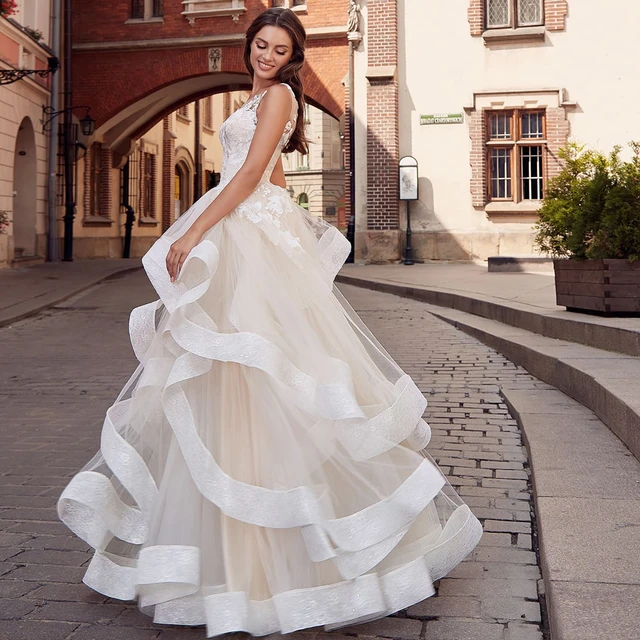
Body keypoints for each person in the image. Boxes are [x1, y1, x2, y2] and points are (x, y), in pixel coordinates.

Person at [57, 7, 482, 637]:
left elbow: (251, 175)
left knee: (266, 379)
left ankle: (292, 552)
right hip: (246, 241)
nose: (267, 55)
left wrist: (195, 229)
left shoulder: (280, 95)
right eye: (261, 44)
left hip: (240, 239)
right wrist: (287, 238)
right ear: (249, 45)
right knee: (224, 382)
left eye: (279, 48)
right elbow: (275, 176)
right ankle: (226, 549)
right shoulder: (260, 96)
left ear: (292, 57)